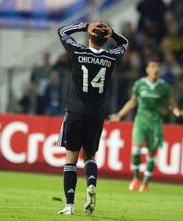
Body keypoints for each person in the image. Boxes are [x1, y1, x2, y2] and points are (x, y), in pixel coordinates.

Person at [56, 20, 128, 215]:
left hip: (76, 112)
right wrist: (111, 33)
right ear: (105, 39)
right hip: (96, 114)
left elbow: (62, 31)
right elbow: (124, 43)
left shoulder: (78, 52)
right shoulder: (110, 57)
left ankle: (70, 206)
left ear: (89, 35)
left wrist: (84, 25)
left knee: (71, 159)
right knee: (89, 156)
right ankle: (91, 184)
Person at [110, 59, 183, 192]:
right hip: (141, 121)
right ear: (147, 69)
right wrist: (119, 114)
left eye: (157, 66)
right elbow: (132, 102)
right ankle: (135, 178)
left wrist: (177, 112)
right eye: (152, 66)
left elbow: (171, 103)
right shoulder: (140, 84)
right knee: (137, 148)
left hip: (156, 123)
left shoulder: (164, 87)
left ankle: (145, 182)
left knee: (152, 153)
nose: (155, 69)